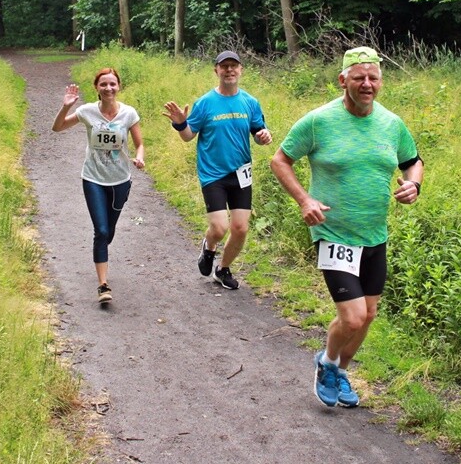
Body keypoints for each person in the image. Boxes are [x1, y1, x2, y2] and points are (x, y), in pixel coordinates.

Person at [270, 46, 424, 408]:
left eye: (373, 78)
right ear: (343, 80)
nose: (367, 84)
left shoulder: (392, 123)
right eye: (359, 78)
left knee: (369, 314)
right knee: (352, 317)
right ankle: (326, 362)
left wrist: (413, 184)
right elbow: (280, 161)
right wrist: (305, 200)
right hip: (333, 231)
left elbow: (413, 161)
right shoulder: (318, 121)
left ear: (381, 82)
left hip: (374, 234)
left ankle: (341, 370)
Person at [162, 51, 272, 290]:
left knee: (241, 228)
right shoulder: (205, 103)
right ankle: (209, 247)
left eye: (234, 66)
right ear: (217, 70)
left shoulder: (250, 102)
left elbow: (259, 132)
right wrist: (181, 122)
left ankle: (222, 269)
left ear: (241, 70)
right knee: (220, 227)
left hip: (241, 173)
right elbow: (188, 136)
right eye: (225, 67)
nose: (229, 70)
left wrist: (264, 136)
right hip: (213, 174)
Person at [52, 67, 145, 304]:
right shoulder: (87, 111)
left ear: (119, 86)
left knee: (109, 231)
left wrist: (140, 157)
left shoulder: (128, 114)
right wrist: (66, 106)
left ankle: (102, 247)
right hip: (93, 178)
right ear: (97, 88)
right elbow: (58, 127)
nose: (108, 88)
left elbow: (139, 144)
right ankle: (103, 286)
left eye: (112, 84)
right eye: (103, 84)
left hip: (120, 180)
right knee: (101, 231)